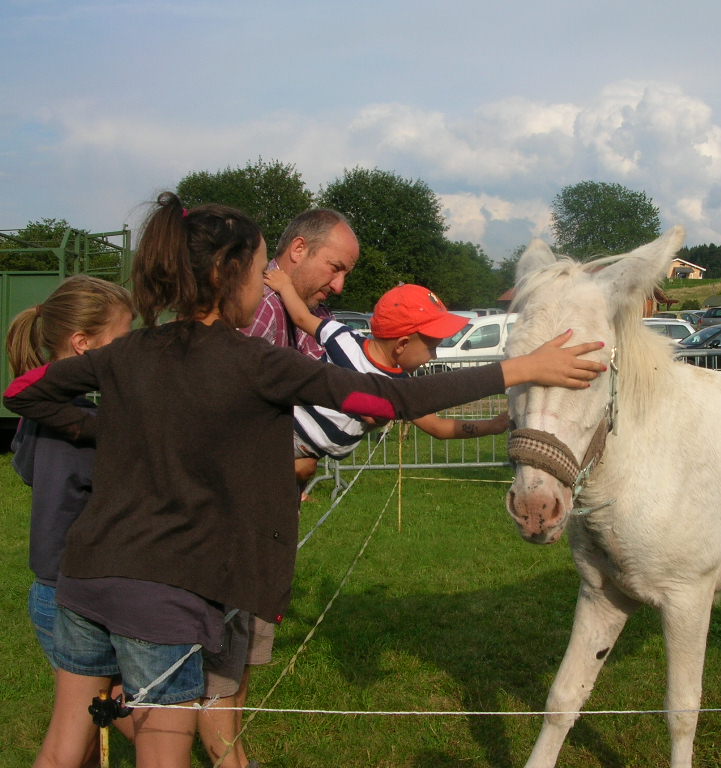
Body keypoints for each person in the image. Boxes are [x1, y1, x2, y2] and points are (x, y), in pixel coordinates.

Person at [3, 192, 604, 768]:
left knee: (61, 750)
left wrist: (103, 428)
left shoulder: (126, 352)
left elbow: (22, 392)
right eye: (262, 268)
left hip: (80, 582)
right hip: (160, 592)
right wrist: (520, 368)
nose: (269, 282)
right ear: (228, 275)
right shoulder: (256, 362)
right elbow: (389, 397)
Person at [209, 208, 360, 767]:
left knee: (239, 661)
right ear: (297, 249)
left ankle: (223, 749)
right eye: (335, 267)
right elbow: (231, 424)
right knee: (219, 664)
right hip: (234, 526)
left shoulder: (296, 314)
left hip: (263, 518)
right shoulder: (261, 314)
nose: (339, 284)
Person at [6, 275, 135, 768]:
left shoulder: (39, 413)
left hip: (56, 588)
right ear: (84, 345)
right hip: (73, 593)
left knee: (86, 730)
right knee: (94, 734)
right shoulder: (73, 426)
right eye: (123, 339)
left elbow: (23, 469)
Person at [264, 273, 510, 462]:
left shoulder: (343, 336)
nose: (433, 356)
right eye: (431, 348)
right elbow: (439, 428)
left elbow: (301, 318)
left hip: (305, 450)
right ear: (402, 344)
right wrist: (492, 426)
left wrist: (493, 425)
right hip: (285, 434)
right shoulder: (399, 389)